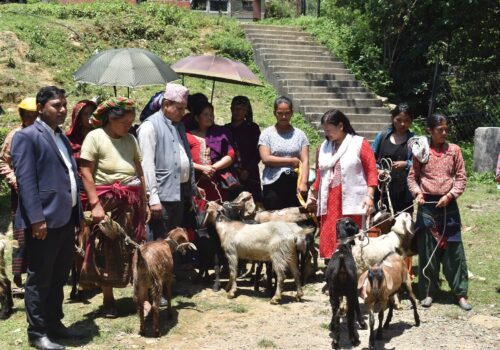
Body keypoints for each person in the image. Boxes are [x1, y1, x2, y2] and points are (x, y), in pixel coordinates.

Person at [11, 86, 84, 350]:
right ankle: (37, 332)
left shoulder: (60, 137)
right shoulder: (27, 137)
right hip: (43, 222)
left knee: (58, 276)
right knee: (40, 278)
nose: (63, 109)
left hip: (65, 220)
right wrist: (36, 219)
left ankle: (54, 323)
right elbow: (26, 182)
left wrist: (78, 216)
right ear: (41, 108)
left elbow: (69, 176)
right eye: (56, 105)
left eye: (64, 104)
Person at [79, 97, 149, 318]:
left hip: (132, 202)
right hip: (107, 202)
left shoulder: (130, 139)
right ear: (111, 118)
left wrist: (145, 202)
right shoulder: (95, 137)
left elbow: (139, 172)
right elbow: (86, 172)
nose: (129, 125)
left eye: (131, 121)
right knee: (107, 249)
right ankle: (108, 300)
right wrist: (95, 204)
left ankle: (142, 295)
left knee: (136, 248)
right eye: (125, 122)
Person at [407, 114, 471, 311]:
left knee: (454, 250)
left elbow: (461, 178)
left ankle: (460, 293)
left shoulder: (454, 151)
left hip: (448, 204)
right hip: (426, 204)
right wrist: (417, 193)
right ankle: (427, 292)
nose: (444, 133)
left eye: (446, 129)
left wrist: (450, 195)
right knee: (427, 250)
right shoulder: (421, 152)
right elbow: (412, 177)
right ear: (430, 130)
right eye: (439, 129)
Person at [306, 109, 378, 260]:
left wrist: (370, 195)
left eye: (330, 130)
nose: (327, 134)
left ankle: (353, 267)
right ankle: (332, 268)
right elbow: (320, 173)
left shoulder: (359, 144)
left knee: (351, 235)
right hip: (330, 199)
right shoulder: (324, 147)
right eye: (325, 131)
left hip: (352, 198)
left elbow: (372, 171)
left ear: (340, 126)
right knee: (331, 232)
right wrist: (312, 195)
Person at [138, 83, 196, 242]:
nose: (183, 113)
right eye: (179, 108)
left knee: (173, 238)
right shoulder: (149, 127)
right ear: (165, 104)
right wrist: (153, 198)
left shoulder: (179, 125)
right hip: (162, 195)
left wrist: (192, 187)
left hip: (179, 191)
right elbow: (147, 165)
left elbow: (185, 157)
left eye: (184, 109)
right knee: (159, 240)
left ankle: (173, 267)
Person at [0, 97, 38, 296]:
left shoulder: (42, 134)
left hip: (41, 193)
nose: (32, 120)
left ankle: (37, 275)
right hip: (21, 194)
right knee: (20, 236)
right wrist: (15, 180)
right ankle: (16, 279)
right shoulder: (15, 135)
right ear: (22, 116)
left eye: (35, 116)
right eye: (28, 116)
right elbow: (3, 162)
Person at [258, 96, 309, 210]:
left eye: (287, 113)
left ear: (292, 113)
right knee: (274, 221)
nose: (284, 116)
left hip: (295, 183)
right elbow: (266, 159)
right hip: (272, 183)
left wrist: (304, 183)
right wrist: (291, 161)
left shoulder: (300, 135)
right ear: (274, 113)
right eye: (280, 113)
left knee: (295, 221)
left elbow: (305, 160)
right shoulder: (266, 134)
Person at [187, 101, 239, 202]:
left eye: (211, 114)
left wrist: (212, 168)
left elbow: (231, 155)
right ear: (197, 118)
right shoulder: (187, 136)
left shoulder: (220, 133)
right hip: (196, 182)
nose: (210, 117)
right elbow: (182, 160)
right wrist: (202, 168)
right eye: (206, 114)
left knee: (218, 210)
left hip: (217, 181)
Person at [371, 103, 415, 214]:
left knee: (402, 226)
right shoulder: (381, 137)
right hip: (381, 190)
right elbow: (371, 159)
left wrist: (407, 164)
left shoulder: (414, 140)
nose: (402, 124)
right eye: (398, 120)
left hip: (404, 191)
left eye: (407, 120)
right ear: (392, 118)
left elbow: (420, 163)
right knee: (380, 224)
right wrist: (378, 170)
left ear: (411, 121)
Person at [225, 96, 263, 204]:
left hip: (250, 174)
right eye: (235, 108)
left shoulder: (252, 128)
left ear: (246, 111)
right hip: (230, 175)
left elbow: (258, 151)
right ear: (231, 109)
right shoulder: (225, 129)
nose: (238, 112)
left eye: (241, 109)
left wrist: (247, 170)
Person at [65, 99, 96, 166]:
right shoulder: (71, 138)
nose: (90, 117)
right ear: (79, 118)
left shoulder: (103, 134)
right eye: (85, 114)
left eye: (92, 113)